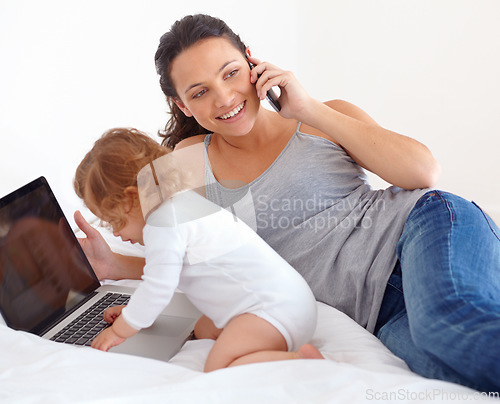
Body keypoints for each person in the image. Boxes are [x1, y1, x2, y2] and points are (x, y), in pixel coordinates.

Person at [74, 14, 500, 391]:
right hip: (375, 307)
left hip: (422, 230)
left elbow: (423, 173)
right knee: (443, 365)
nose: (223, 98)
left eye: (230, 72)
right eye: (199, 92)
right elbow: (192, 259)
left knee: (448, 330)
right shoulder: (181, 164)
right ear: (181, 104)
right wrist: (116, 264)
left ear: (253, 62)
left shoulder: (322, 115)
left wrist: (309, 108)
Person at [73, 127, 323, 372]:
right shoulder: (182, 202)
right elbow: (171, 280)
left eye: (115, 222)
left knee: (219, 366)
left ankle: (299, 361)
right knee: (203, 329)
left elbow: (158, 287)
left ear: (131, 198)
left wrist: (121, 329)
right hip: (292, 302)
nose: (115, 233)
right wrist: (134, 311)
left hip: (272, 312)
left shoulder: (162, 223)